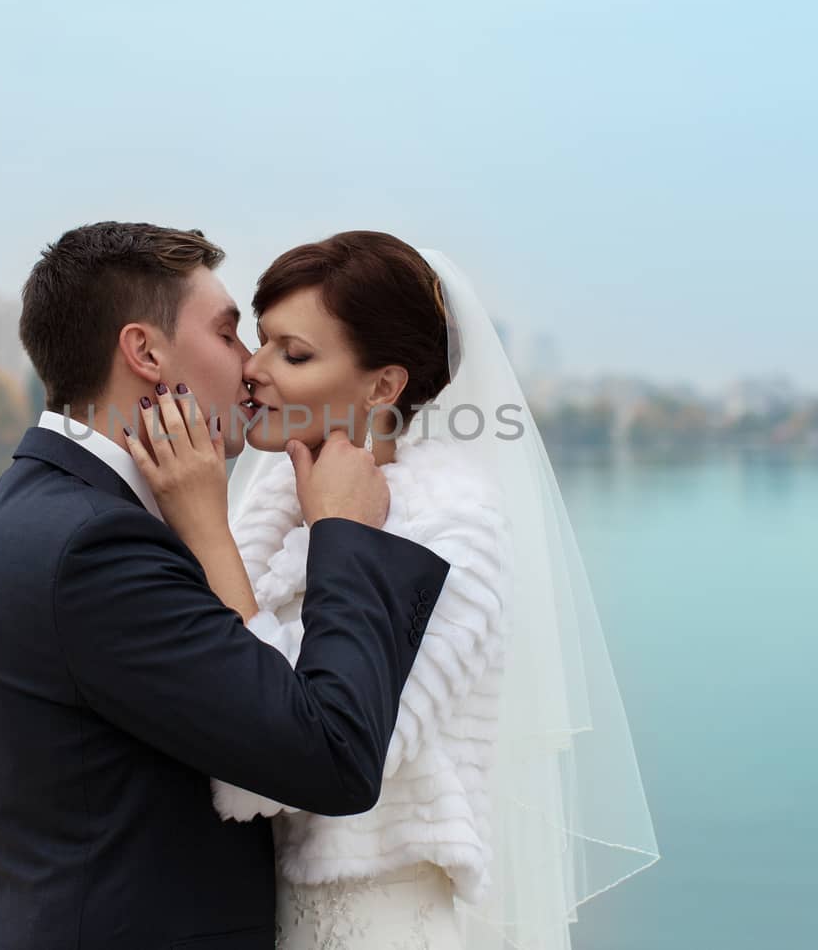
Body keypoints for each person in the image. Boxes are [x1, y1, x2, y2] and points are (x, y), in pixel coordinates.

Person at [132, 232, 660, 949]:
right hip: (256, 909)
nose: (252, 371)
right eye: (259, 343)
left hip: (374, 920)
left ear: (383, 386)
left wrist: (205, 530)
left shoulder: (451, 533)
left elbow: (299, 761)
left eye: (294, 354)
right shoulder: (270, 503)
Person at [0, 221, 451, 949]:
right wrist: (347, 534)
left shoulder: (26, 507)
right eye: (230, 333)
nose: (249, 367)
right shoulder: (97, 547)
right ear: (146, 352)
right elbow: (331, 756)